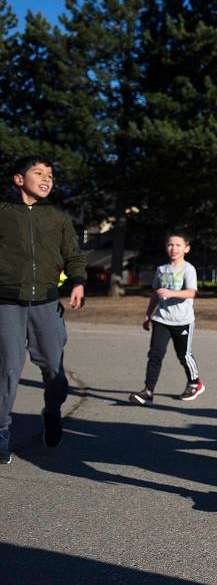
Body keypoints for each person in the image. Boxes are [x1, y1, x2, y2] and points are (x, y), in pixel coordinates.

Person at [0, 156, 86, 464]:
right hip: (6, 303)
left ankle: (52, 412)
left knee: (53, 370)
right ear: (19, 179)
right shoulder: (4, 213)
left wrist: (77, 281)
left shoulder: (58, 218)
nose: (47, 178)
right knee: (7, 370)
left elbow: (73, 255)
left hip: (47, 303)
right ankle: (2, 430)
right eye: (38, 173)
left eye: (50, 174)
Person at [129, 233, 204, 405]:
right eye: (170, 244)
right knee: (155, 355)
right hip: (161, 319)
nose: (174, 248)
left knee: (183, 355)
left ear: (186, 248)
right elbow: (155, 294)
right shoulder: (161, 270)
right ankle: (148, 391)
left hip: (183, 321)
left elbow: (191, 292)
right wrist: (148, 315)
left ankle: (195, 383)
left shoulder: (188, 269)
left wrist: (172, 293)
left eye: (178, 245)